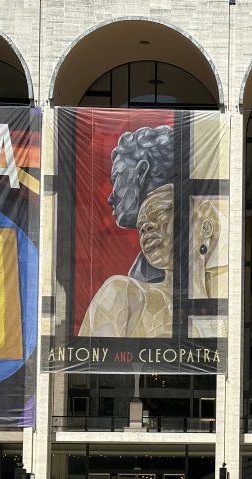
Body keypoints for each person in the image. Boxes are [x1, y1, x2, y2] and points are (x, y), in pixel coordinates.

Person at [80, 125, 175, 338]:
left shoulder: (127, 290)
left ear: (141, 173)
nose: (110, 196)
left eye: (115, 179)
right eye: (144, 226)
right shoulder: (128, 289)